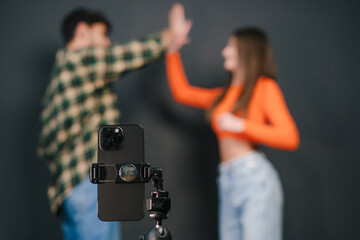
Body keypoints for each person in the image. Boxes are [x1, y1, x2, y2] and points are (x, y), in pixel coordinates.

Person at [37, 5, 189, 240]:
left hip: (68, 191)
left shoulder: (61, 75)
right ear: (82, 31)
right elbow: (123, 56)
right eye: (102, 35)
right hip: (90, 186)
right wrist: (169, 37)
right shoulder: (79, 61)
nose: (107, 43)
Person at [165, 5, 300, 240]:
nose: (225, 52)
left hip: (253, 178)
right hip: (227, 179)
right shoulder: (223, 96)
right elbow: (181, 92)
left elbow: (290, 137)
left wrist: (240, 126)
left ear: (247, 52)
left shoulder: (264, 87)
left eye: (231, 46)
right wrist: (173, 50)